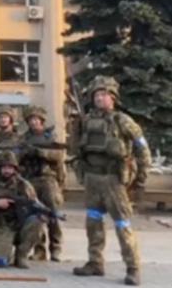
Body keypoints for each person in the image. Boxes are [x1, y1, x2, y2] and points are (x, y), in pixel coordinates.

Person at [72, 76, 151, 286]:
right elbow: (77, 150)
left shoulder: (122, 121)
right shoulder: (86, 121)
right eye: (97, 95)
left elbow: (142, 148)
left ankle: (133, 268)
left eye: (104, 94)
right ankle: (95, 262)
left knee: (122, 224)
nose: (100, 98)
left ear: (113, 98)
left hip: (114, 180)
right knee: (93, 222)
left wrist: (141, 177)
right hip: (92, 179)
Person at [0, 151, 43, 269]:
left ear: (15, 169)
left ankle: (21, 255)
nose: (7, 171)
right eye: (4, 167)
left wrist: (42, 213)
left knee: (37, 221)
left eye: (10, 167)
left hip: (21, 224)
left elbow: (35, 204)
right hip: (3, 227)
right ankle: (1, 251)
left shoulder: (24, 185)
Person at [18, 105, 66, 262]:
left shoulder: (50, 137)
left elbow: (58, 156)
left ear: (42, 121)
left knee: (53, 214)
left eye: (37, 120)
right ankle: (39, 249)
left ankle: (56, 248)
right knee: (35, 215)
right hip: (31, 179)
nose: (34, 122)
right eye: (31, 120)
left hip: (48, 179)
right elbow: (17, 157)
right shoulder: (24, 138)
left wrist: (40, 152)